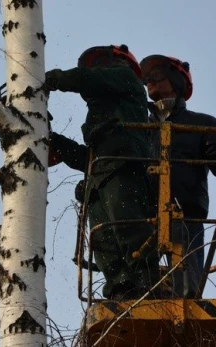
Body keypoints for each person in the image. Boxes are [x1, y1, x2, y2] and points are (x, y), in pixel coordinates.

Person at [45, 45, 158, 300]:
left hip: (125, 162)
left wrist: (53, 79)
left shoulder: (125, 78)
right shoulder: (100, 113)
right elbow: (89, 158)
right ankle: (120, 288)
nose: (95, 70)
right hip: (100, 174)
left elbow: (91, 79)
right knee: (103, 239)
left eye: (98, 64)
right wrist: (55, 142)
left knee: (128, 224)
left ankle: (146, 284)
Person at [139, 54, 216, 297]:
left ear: (176, 82)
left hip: (185, 214)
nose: (149, 81)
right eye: (146, 78)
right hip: (141, 218)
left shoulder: (200, 124)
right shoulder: (138, 128)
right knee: (138, 288)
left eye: (157, 75)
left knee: (187, 290)